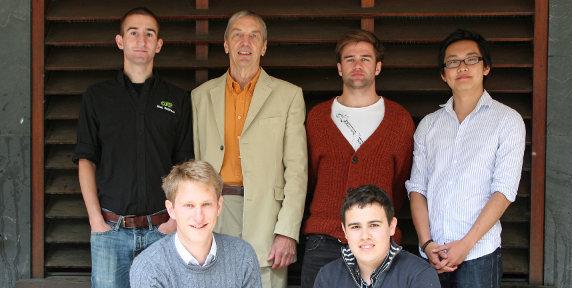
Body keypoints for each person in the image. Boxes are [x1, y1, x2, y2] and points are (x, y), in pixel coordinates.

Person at [73, 6, 192, 288]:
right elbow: (86, 161)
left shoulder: (177, 99)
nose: (141, 40)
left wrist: (174, 222)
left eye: (149, 34)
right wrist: (95, 222)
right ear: (120, 41)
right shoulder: (97, 97)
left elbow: (184, 166)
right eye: (133, 33)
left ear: (159, 44)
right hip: (110, 231)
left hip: (162, 229)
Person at [190, 10, 307, 288]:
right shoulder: (200, 97)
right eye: (238, 35)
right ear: (226, 44)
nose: (246, 42)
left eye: (254, 36)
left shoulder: (288, 95)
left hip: (267, 216)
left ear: (264, 46)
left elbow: (297, 169)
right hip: (214, 212)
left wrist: (287, 231)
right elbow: (194, 165)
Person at [406, 29, 526, 288]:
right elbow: (417, 189)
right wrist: (427, 244)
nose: (462, 67)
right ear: (443, 74)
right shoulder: (429, 125)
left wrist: (465, 244)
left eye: (472, 59)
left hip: (479, 254)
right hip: (431, 253)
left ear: (486, 68)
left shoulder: (507, 120)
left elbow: (504, 191)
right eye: (453, 61)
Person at [301, 29, 414, 287]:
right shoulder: (317, 119)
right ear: (340, 68)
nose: (358, 64)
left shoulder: (399, 120)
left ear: (378, 67)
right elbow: (308, 176)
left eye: (365, 58)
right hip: (323, 240)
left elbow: (400, 182)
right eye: (350, 58)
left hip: (380, 242)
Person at [129, 160, 261, 288]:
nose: (199, 217)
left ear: (219, 206)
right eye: (189, 205)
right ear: (171, 209)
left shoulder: (243, 255)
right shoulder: (148, 267)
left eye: (206, 204)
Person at [314, 185, 440, 288]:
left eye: (374, 225)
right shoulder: (328, 276)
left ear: (391, 226)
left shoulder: (419, 274)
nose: (365, 236)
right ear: (345, 231)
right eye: (355, 227)